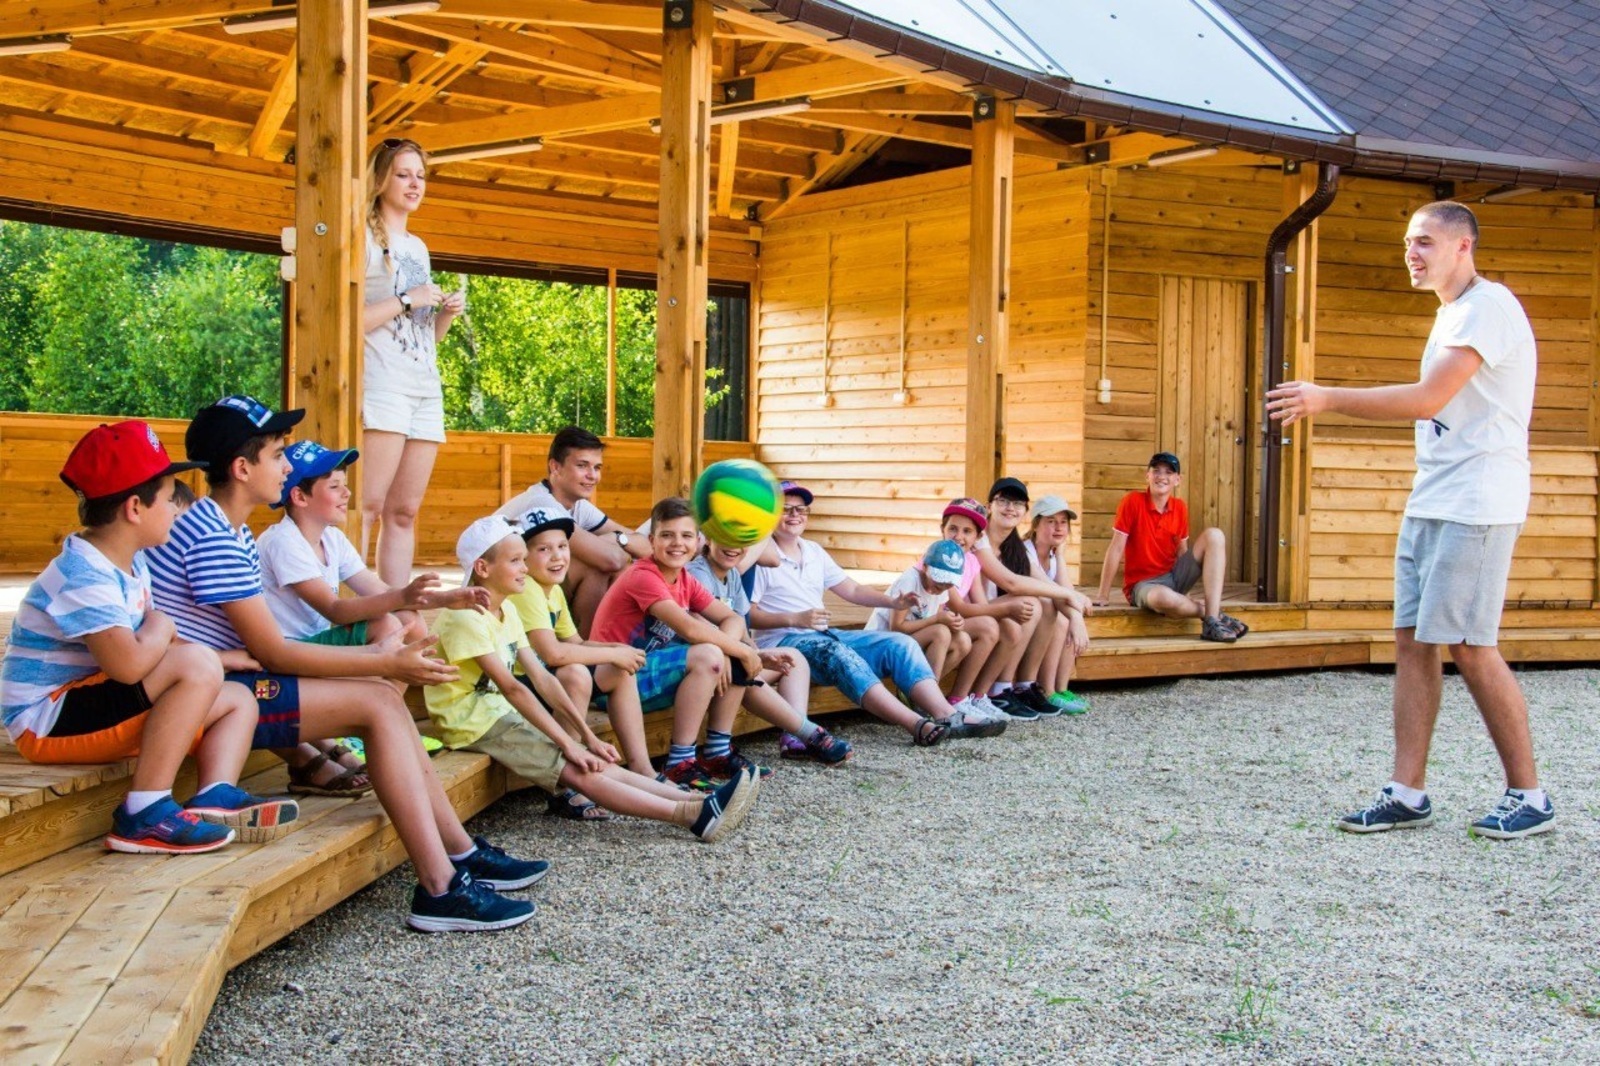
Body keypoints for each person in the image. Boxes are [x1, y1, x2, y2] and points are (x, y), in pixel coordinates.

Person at [146, 396, 545, 932]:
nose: (286, 466)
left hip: (226, 683)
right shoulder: (217, 536)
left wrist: (389, 653)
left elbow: (267, 650)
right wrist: (381, 660)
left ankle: (458, 857)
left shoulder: (228, 529)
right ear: (242, 469)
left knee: (381, 698)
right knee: (379, 702)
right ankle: (442, 884)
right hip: (212, 696)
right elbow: (275, 654)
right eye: (277, 454)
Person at [1267, 200, 1553, 840]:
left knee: (1472, 646)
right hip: (1434, 498)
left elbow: (1428, 399)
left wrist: (1326, 397)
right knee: (1412, 641)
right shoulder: (1452, 314)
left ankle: (1529, 796)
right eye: (1407, 243)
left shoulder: (1489, 308)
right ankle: (1407, 793)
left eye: (1424, 242)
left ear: (1463, 247)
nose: (1412, 253)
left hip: (1479, 501)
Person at [0, 420, 296, 853]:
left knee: (238, 698)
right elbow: (129, 665)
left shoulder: (131, 562)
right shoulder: (83, 573)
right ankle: (143, 812)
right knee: (195, 664)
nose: (179, 510)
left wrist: (218, 659)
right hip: (44, 721)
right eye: (170, 498)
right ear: (135, 508)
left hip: (91, 703)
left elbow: (146, 651)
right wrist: (166, 628)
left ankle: (213, 795)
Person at [429, 516, 759, 844]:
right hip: (472, 723)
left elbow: (542, 676)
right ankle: (690, 816)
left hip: (498, 713)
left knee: (594, 758)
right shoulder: (466, 619)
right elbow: (514, 687)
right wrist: (569, 743)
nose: (525, 568)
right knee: (578, 768)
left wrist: (587, 736)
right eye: (517, 560)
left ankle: (700, 802)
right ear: (483, 569)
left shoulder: (506, 610)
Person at [258, 439, 492, 794]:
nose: (346, 492)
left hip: (317, 647)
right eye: (334, 486)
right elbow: (333, 609)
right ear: (300, 498)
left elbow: (377, 590)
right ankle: (371, 724)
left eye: (344, 483)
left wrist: (447, 598)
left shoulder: (332, 539)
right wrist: (400, 597)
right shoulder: (283, 542)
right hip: (290, 654)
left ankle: (375, 722)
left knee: (407, 618)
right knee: (387, 623)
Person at [746, 481, 982, 745]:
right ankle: (915, 724)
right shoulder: (761, 556)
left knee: (899, 643)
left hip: (823, 635)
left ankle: (946, 714)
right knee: (839, 653)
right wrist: (795, 619)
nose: (795, 515)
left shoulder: (813, 551)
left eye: (801, 510)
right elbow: (748, 615)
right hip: (784, 643)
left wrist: (894, 602)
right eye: (786, 509)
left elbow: (853, 590)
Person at [589, 498, 776, 787]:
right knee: (713, 654)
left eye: (686, 535)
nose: (677, 543)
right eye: (667, 535)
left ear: (698, 541)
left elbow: (734, 618)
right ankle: (680, 762)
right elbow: (688, 627)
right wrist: (733, 649)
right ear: (651, 541)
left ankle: (716, 752)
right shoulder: (643, 575)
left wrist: (730, 651)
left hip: (648, 675)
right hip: (612, 682)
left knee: (728, 653)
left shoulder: (685, 578)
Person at [360, 137, 463, 589]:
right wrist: (406, 298)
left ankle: (397, 608)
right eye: (403, 174)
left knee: (404, 511)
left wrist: (442, 315)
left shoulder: (417, 247)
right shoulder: (361, 237)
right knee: (365, 504)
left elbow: (423, 338)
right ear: (381, 178)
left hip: (424, 387)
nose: (414, 183)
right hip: (382, 384)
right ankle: (349, 604)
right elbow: (345, 322)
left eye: (420, 175)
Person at [507, 505, 645, 813]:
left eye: (562, 546)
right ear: (524, 557)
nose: (557, 556)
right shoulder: (527, 588)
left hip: (539, 684)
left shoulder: (551, 589)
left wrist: (617, 652)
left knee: (617, 669)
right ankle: (566, 786)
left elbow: (576, 641)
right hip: (514, 686)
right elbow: (552, 653)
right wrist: (615, 653)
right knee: (575, 674)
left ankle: (643, 768)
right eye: (543, 549)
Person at [688, 534, 854, 767]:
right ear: (708, 539)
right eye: (725, 537)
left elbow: (740, 627)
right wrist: (745, 655)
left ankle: (795, 737)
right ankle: (809, 733)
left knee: (793, 658)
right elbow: (695, 624)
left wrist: (757, 655)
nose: (734, 547)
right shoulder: (698, 573)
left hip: (728, 657)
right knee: (743, 672)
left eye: (742, 541)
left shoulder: (733, 574)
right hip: (707, 664)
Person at [496, 426, 649, 636]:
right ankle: (591, 647)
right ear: (555, 467)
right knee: (597, 566)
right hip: (496, 602)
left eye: (597, 467)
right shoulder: (541, 502)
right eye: (582, 466)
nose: (592, 476)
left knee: (621, 565)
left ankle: (607, 641)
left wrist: (618, 540)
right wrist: (619, 543)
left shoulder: (578, 505)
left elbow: (646, 546)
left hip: (525, 591)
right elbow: (611, 560)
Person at [972, 478, 1096, 714]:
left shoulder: (1014, 546)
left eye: (1017, 503)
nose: (1010, 508)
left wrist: (1075, 615)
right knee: (1032, 602)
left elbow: (1043, 583)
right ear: (990, 506)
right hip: (970, 611)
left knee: (1045, 603)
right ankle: (1000, 689)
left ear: (1025, 512)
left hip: (988, 611)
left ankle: (1024, 686)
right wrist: (1072, 598)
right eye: (1003, 501)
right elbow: (1012, 582)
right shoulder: (979, 539)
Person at [1093, 454, 1246, 643]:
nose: (1161, 476)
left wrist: (1185, 590)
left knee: (1215, 535)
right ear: (1147, 475)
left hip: (1173, 578)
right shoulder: (1132, 502)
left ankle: (1211, 622)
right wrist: (1102, 594)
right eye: (1156, 471)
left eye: (1168, 472)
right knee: (1163, 598)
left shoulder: (1180, 507)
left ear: (1177, 480)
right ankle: (1213, 616)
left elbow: (1182, 551)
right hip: (1143, 586)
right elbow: (1116, 548)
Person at [934, 499, 1028, 727]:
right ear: (942, 530)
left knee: (1009, 627)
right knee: (988, 626)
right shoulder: (939, 556)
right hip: (935, 621)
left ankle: (979, 696)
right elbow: (958, 606)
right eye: (953, 529)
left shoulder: (972, 561)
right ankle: (958, 698)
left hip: (956, 621)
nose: (959, 536)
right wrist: (1005, 608)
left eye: (967, 531)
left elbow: (980, 602)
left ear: (977, 538)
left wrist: (1005, 613)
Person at [865, 538, 973, 681]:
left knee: (963, 641)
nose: (942, 587)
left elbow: (938, 617)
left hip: (907, 644)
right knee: (940, 632)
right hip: (879, 646)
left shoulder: (943, 588)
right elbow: (896, 627)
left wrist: (954, 623)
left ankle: (921, 690)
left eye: (948, 583)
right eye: (939, 580)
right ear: (925, 566)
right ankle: (927, 697)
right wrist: (937, 619)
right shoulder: (909, 581)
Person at [1023, 495, 1091, 715]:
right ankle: (1047, 690)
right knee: (1062, 618)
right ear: (1036, 525)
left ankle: (1061, 688)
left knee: (1067, 614)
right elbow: (1053, 591)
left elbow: (1066, 591)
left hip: (1039, 616)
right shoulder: (1026, 552)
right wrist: (1076, 614)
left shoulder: (1053, 554)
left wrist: (1060, 555)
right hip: (1023, 617)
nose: (1059, 527)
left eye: (1063, 522)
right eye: (1051, 521)